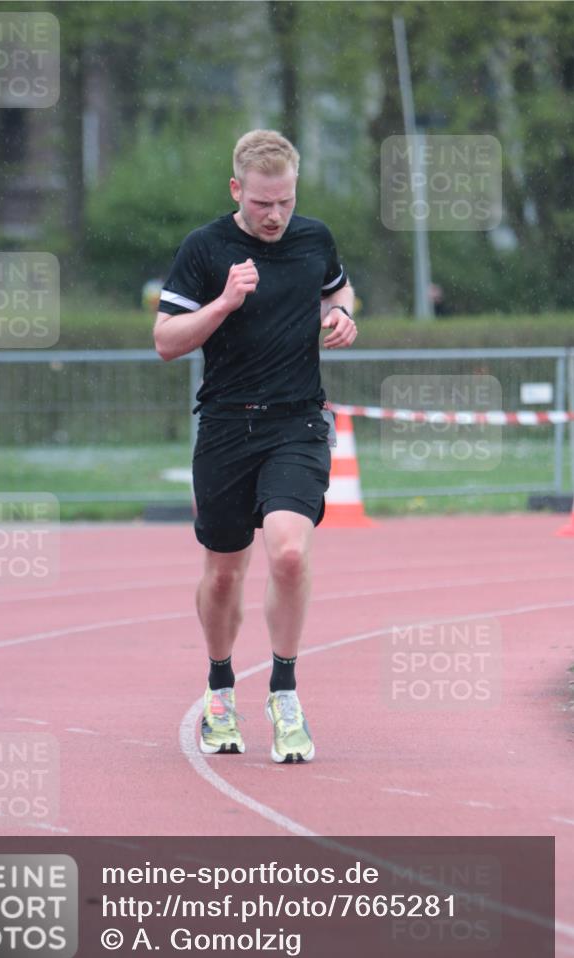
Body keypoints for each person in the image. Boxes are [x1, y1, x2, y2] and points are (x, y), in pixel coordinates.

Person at [154, 129, 357, 763]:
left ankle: (284, 691)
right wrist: (223, 302)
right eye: (263, 203)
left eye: (286, 202)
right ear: (237, 190)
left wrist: (343, 314)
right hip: (224, 427)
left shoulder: (314, 239)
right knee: (223, 573)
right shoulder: (205, 248)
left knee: (290, 553)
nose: (275, 216)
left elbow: (337, 287)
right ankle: (220, 687)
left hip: (296, 424)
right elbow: (165, 341)